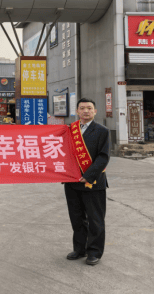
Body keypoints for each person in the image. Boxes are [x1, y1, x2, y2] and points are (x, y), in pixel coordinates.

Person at [64, 98, 110, 266]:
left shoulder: (102, 131)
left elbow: (103, 157)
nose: (86, 111)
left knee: (95, 219)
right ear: (77, 111)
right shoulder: (69, 130)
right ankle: (79, 249)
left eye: (89, 108)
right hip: (72, 182)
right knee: (76, 218)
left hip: (93, 182)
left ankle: (94, 252)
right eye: (82, 108)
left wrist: (89, 175)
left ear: (95, 111)